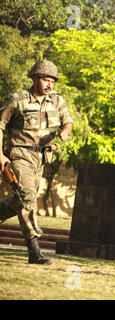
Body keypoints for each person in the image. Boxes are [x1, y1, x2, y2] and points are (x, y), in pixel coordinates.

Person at [0, 60, 73, 264]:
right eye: (45, 79)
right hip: (18, 155)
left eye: (52, 80)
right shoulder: (17, 100)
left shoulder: (57, 101)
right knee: (27, 197)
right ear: (34, 79)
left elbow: (68, 122)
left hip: (41, 158)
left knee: (22, 199)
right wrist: (0, 155)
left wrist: (65, 132)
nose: (49, 84)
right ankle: (34, 251)